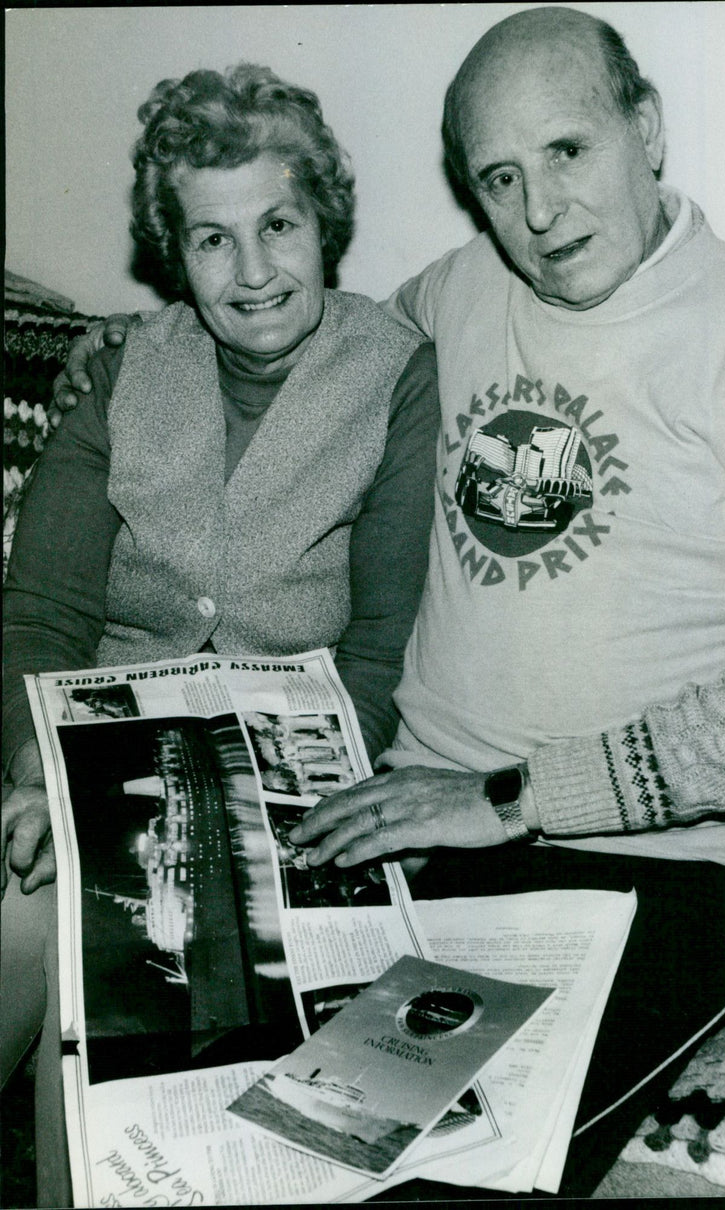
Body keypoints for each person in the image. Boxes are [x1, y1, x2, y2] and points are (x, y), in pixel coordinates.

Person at [47, 6, 725, 1198]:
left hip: (666, 861)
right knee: (219, 1132)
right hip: (402, 812)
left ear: (644, 130)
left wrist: (507, 799)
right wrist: (122, 351)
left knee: (434, 1172)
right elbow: (293, 343)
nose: (539, 211)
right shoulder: (449, 298)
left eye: (567, 151)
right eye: (498, 176)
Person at [1, 62, 438, 1204]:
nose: (251, 273)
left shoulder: (394, 373)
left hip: (275, 786)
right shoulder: (123, 369)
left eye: (277, 226)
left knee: (115, 962)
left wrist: (275, 818)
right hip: (89, 760)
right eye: (211, 240)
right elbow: (43, 610)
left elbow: (377, 653)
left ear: (322, 222)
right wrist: (36, 775)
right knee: (25, 921)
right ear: (174, 253)